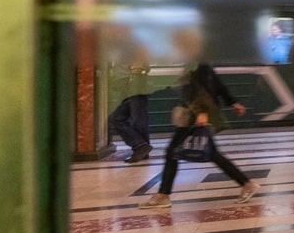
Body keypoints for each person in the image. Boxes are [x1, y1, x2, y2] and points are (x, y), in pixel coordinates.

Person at [146, 30, 260, 208]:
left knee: (172, 152)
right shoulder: (199, 60)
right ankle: (247, 184)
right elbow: (217, 84)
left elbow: (205, 87)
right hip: (195, 112)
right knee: (211, 154)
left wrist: (202, 112)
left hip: (195, 113)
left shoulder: (197, 62)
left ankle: (163, 195)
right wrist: (233, 102)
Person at [106, 31, 154, 164]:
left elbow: (143, 54)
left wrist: (136, 68)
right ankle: (141, 147)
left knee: (136, 118)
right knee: (118, 118)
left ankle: (140, 148)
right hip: (124, 81)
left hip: (133, 81)